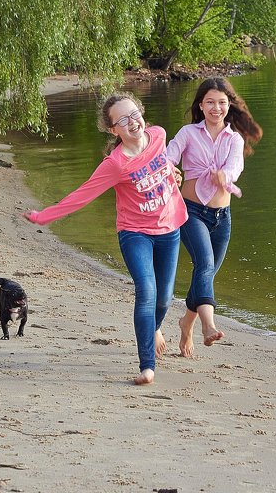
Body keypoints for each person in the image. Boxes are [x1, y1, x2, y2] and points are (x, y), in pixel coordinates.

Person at [25, 92, 186, 385]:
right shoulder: (115, 164)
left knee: (165, 297)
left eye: (134, 114)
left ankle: (154, 326)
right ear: (113, 130)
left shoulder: (159, 135)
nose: (132, 122)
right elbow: (82, 195)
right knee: (147, 292)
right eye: (122, 120)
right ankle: (147, 366)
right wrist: (43, 216)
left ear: (142, 113)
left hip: (170, 227)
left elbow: (164, 168)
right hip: (135, 233)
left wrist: (174, 176)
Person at [165, 77, 262, 358]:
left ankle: (187, 323)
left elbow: (235, 167)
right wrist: (170, 170)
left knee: (205, 273)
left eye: (221, 102)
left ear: (229, 105)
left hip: (223, 217)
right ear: (200, 104)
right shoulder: (187, 133)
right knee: (205, 264)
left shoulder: (235, 139)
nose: (216, 108)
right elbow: (168, 158)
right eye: (210, 102)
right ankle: (209, 325)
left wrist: (225, 176)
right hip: (191, 212)